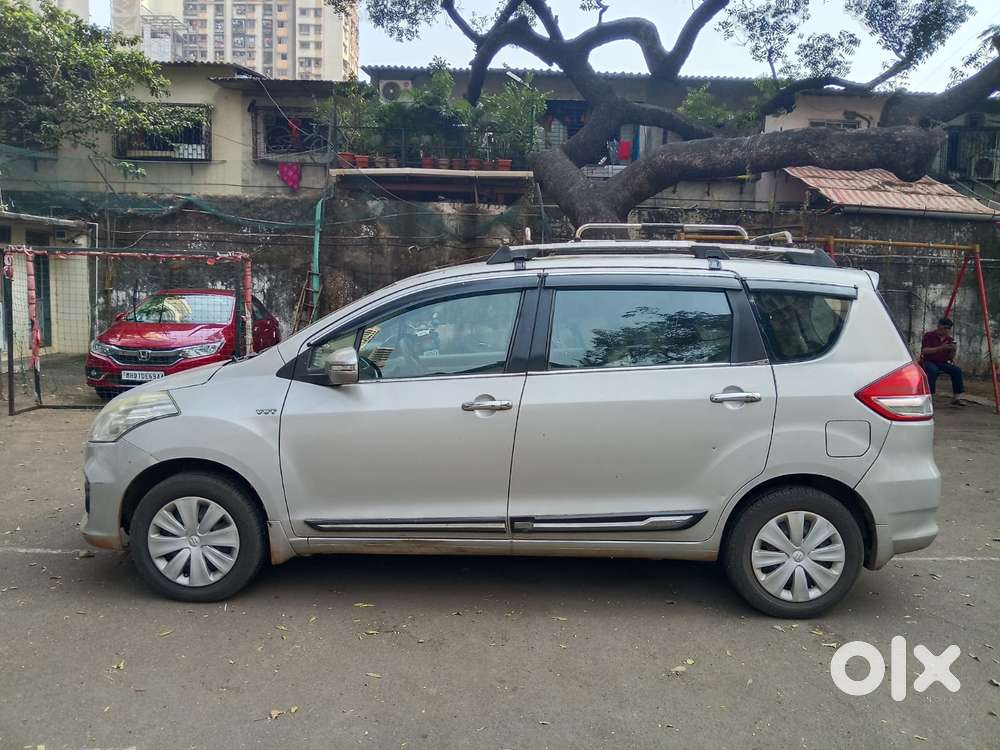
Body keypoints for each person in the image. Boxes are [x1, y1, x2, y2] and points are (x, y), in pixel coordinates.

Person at [920, 317, 965, 405]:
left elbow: (950, 358)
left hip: (942, 362)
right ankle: (930, 396)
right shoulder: (929, 335)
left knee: (957, 370)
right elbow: (924, 351)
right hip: (929, 361)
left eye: (948, 329)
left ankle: (956, 398)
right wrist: (941, 348)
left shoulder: (950, 340)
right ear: (939, 326)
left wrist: (953, 350)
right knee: (933, 371)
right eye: (945, 328)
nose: (946, 330)